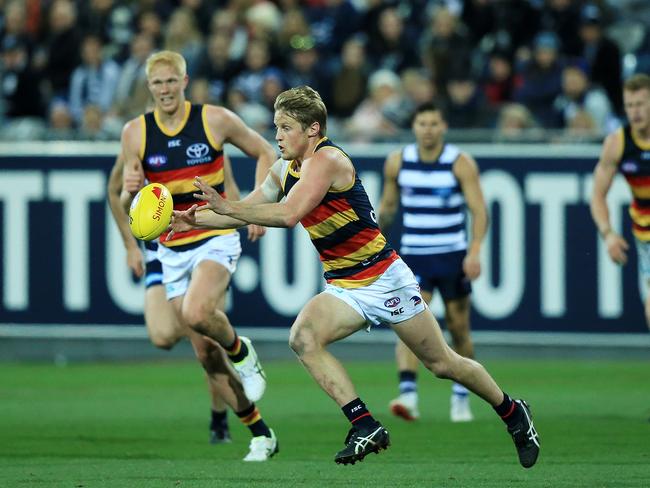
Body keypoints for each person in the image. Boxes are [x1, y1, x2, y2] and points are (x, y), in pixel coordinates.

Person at [169, 85, 540, 468]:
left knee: (442, 363)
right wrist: (194, 222)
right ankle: (363, 423)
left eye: (285, 127)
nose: (276, 136)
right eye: (276, 127)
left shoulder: (327, 159)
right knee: (303, 337)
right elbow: (247, 207)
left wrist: (225, 207)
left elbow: (287, 214)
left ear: (312, 129)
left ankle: (513, 412)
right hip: (345, 284)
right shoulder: (285, 167)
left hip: (383, 277)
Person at [119, 50, 279, 461]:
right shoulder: (134, 133)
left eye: (172, 81)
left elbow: (265, 152)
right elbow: (130, 207)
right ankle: (260, 432)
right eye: (158, 83)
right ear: (149, 87)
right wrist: (129, 192)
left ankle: (243, 354)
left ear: (185, 81)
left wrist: (255, 207)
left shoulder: (214, 119)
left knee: (196, 311)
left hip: (214, 232)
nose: (165, 89)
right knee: (206, 354)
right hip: (171, 248)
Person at [377, 102, 488, 423]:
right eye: (422, 123)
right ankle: (408, 395)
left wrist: (475, 250)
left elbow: (479, 210)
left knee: (458, 328)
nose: (428, 129)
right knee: (409, 321)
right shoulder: (398, 161)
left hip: (452, 254)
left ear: (443, 127)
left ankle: (461, 396)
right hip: (414, 256)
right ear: (414, 127)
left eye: (433, 123)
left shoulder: (459, 162)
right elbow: (387, 208)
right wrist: (374, 244)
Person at [591, 73, 650, 330]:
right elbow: (597, 195)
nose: (635, 112)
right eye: (630, 105)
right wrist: (608, 234)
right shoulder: (617, 143)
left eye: (641, 104)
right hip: (645, 237)